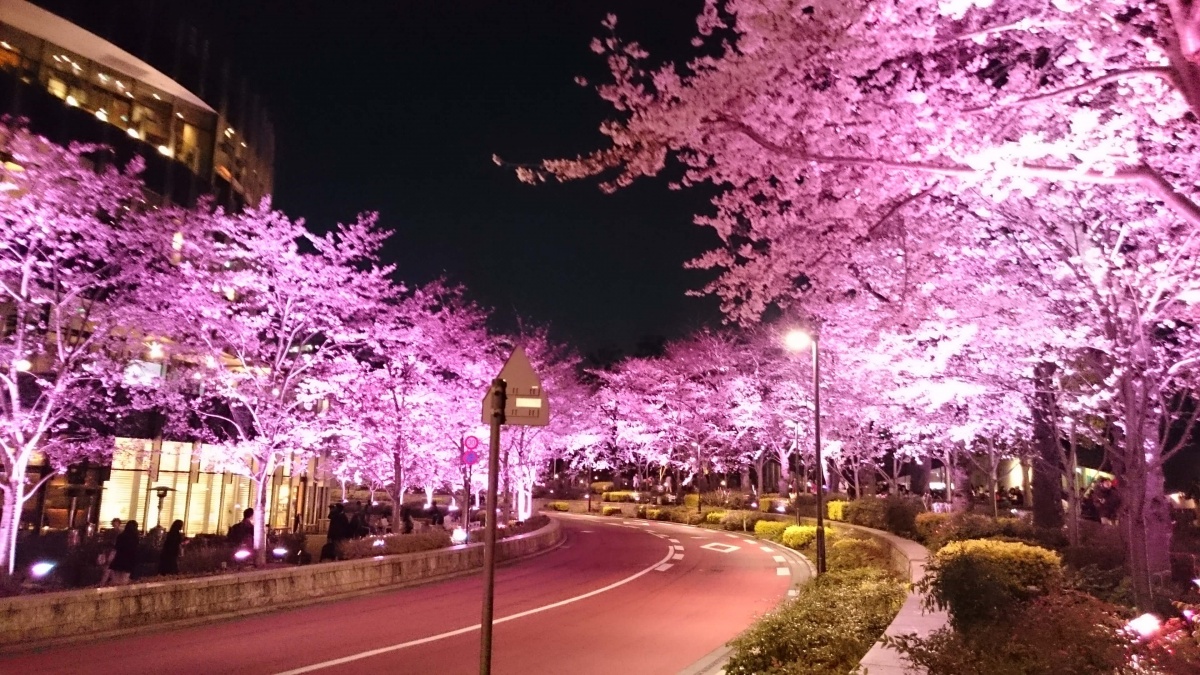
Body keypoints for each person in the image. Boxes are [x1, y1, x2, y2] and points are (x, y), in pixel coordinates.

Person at [106, 521, 140, 586]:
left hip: (118, 561)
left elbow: (116, 548)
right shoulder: (135, 538)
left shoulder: (121, 536)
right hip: (128, 563)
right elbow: (135, 551)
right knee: (124, 581)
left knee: (116, 581)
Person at [97, 517, 122, 586]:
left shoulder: (116, 532)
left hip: (113, 550)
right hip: (111, 550)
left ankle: (103, 582)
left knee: (108, 566)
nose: (115, 524)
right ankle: (113, 581)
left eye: (116, 523)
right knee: (109, 566)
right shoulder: (114, 532)